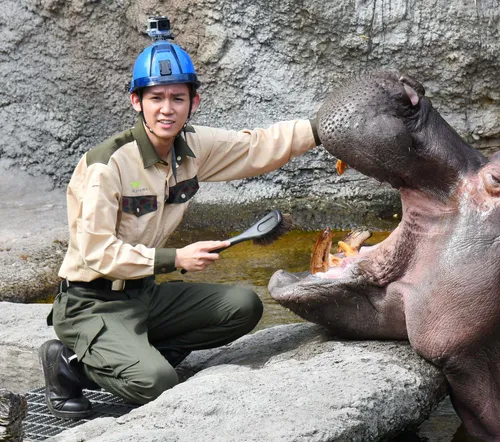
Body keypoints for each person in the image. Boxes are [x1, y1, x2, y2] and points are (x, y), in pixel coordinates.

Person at [38, 26, 320, 419]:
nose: (166, 108)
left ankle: (134, 353)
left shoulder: (191, 148)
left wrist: (322, 129)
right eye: (155, 98)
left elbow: (257, 147)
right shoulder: (108, 164)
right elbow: (96, 252)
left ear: (193, 101)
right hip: (91, 303)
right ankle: (70, 365)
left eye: (177, 98)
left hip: (143, 295)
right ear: (136, 101)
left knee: (243, 306)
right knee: (158, 384)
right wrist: (175, 258)